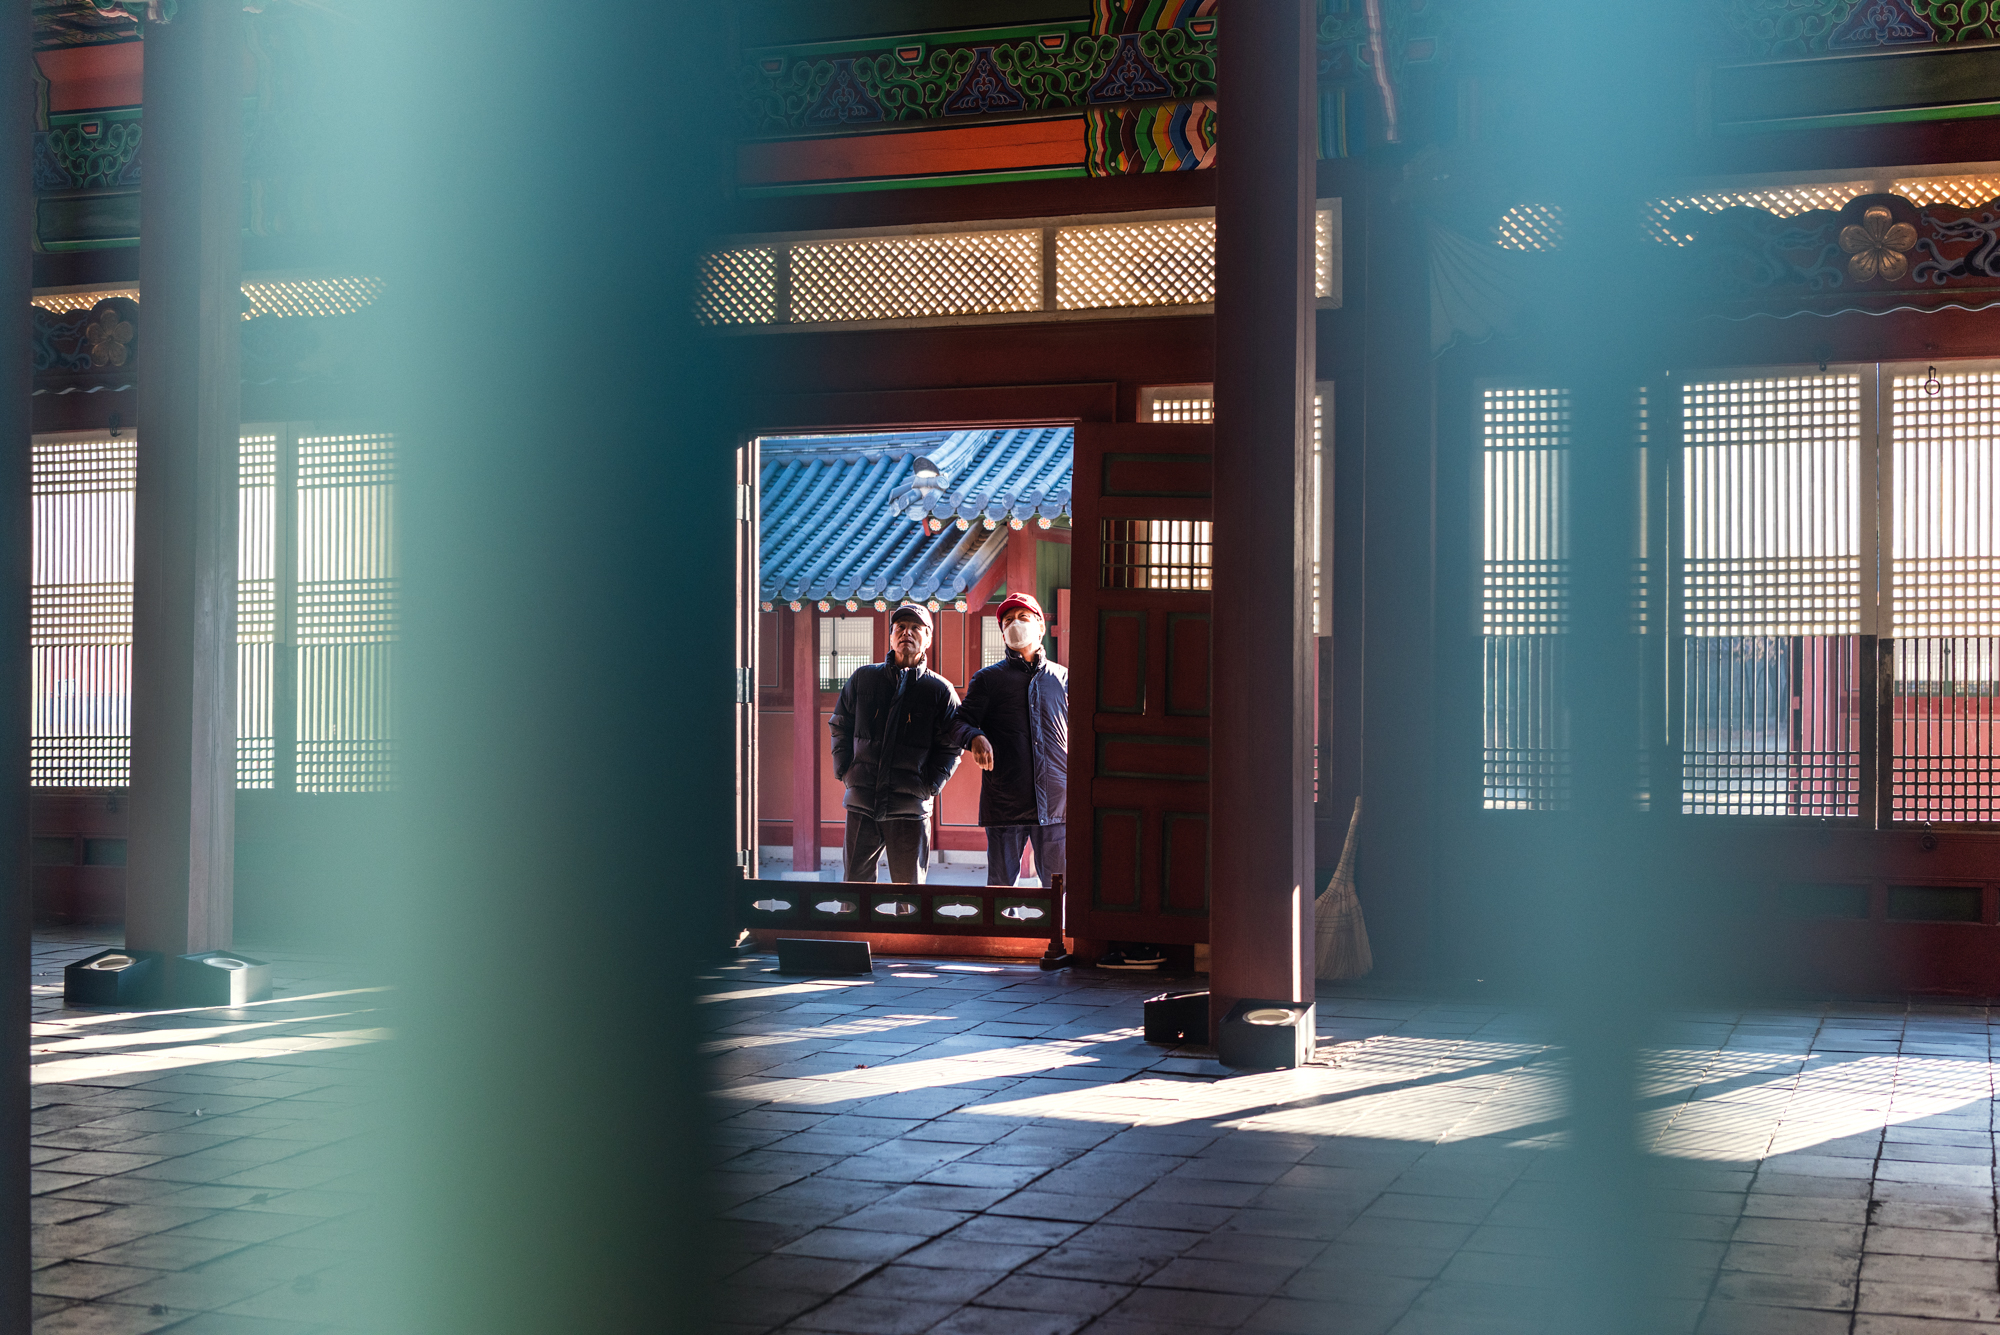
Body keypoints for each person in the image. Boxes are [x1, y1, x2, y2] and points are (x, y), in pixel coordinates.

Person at [957, 592, 1164, 971]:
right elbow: (957, 722)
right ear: (1001, 633)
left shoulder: (1064, 678)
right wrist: (974, 736)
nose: (1015, 624)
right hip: (1006, 797)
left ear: (1040, 625)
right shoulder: (988, 680)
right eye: (1007, 621)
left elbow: (1086, 732)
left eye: (1023, 616)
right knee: (1001, 882)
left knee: (1058, 883)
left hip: (1056, 799)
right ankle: (1002, 946)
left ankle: (1056, 942)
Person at [828, 603, 966, 883]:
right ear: (890, 636)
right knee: (854, 887)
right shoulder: (863, 679)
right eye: (900, 627)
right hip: (862, 800)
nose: (907, 633)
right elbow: (840, 725)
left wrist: (929, 785)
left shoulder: (939, 690)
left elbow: (952, 746)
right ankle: (854, 930)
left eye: (916, 628)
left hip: (909, 806)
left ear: (928, 638)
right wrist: (845, 770)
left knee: (909, 892)